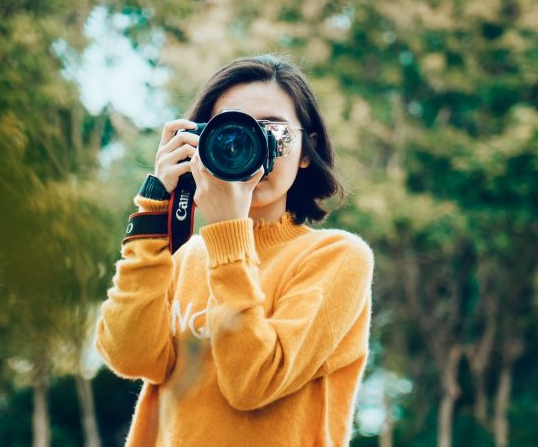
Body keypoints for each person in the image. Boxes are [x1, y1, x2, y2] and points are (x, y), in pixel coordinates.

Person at [95, 54, 374, 446]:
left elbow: (252, 383)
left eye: (270, 130)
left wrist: (229, 235)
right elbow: (129, 356)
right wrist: (155, 209)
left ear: (307, 150)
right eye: (230, 130)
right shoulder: (182, 255)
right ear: (198, 141)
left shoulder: (337, 258)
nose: (250, 144)